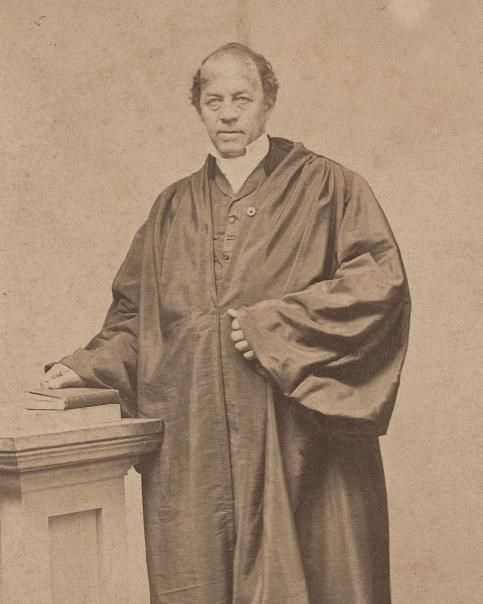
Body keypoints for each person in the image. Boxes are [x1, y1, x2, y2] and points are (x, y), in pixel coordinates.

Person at [43, 43, 411, 604]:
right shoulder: (170, 209)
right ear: (198, 109)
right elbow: (134, 321)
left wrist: (276, 326)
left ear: (268, 103)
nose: (228, 112)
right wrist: (84, 366)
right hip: (199, 448)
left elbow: (379, 286)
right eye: (213, 100)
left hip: (298, 440)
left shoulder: (330, 188)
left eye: (242, 98)